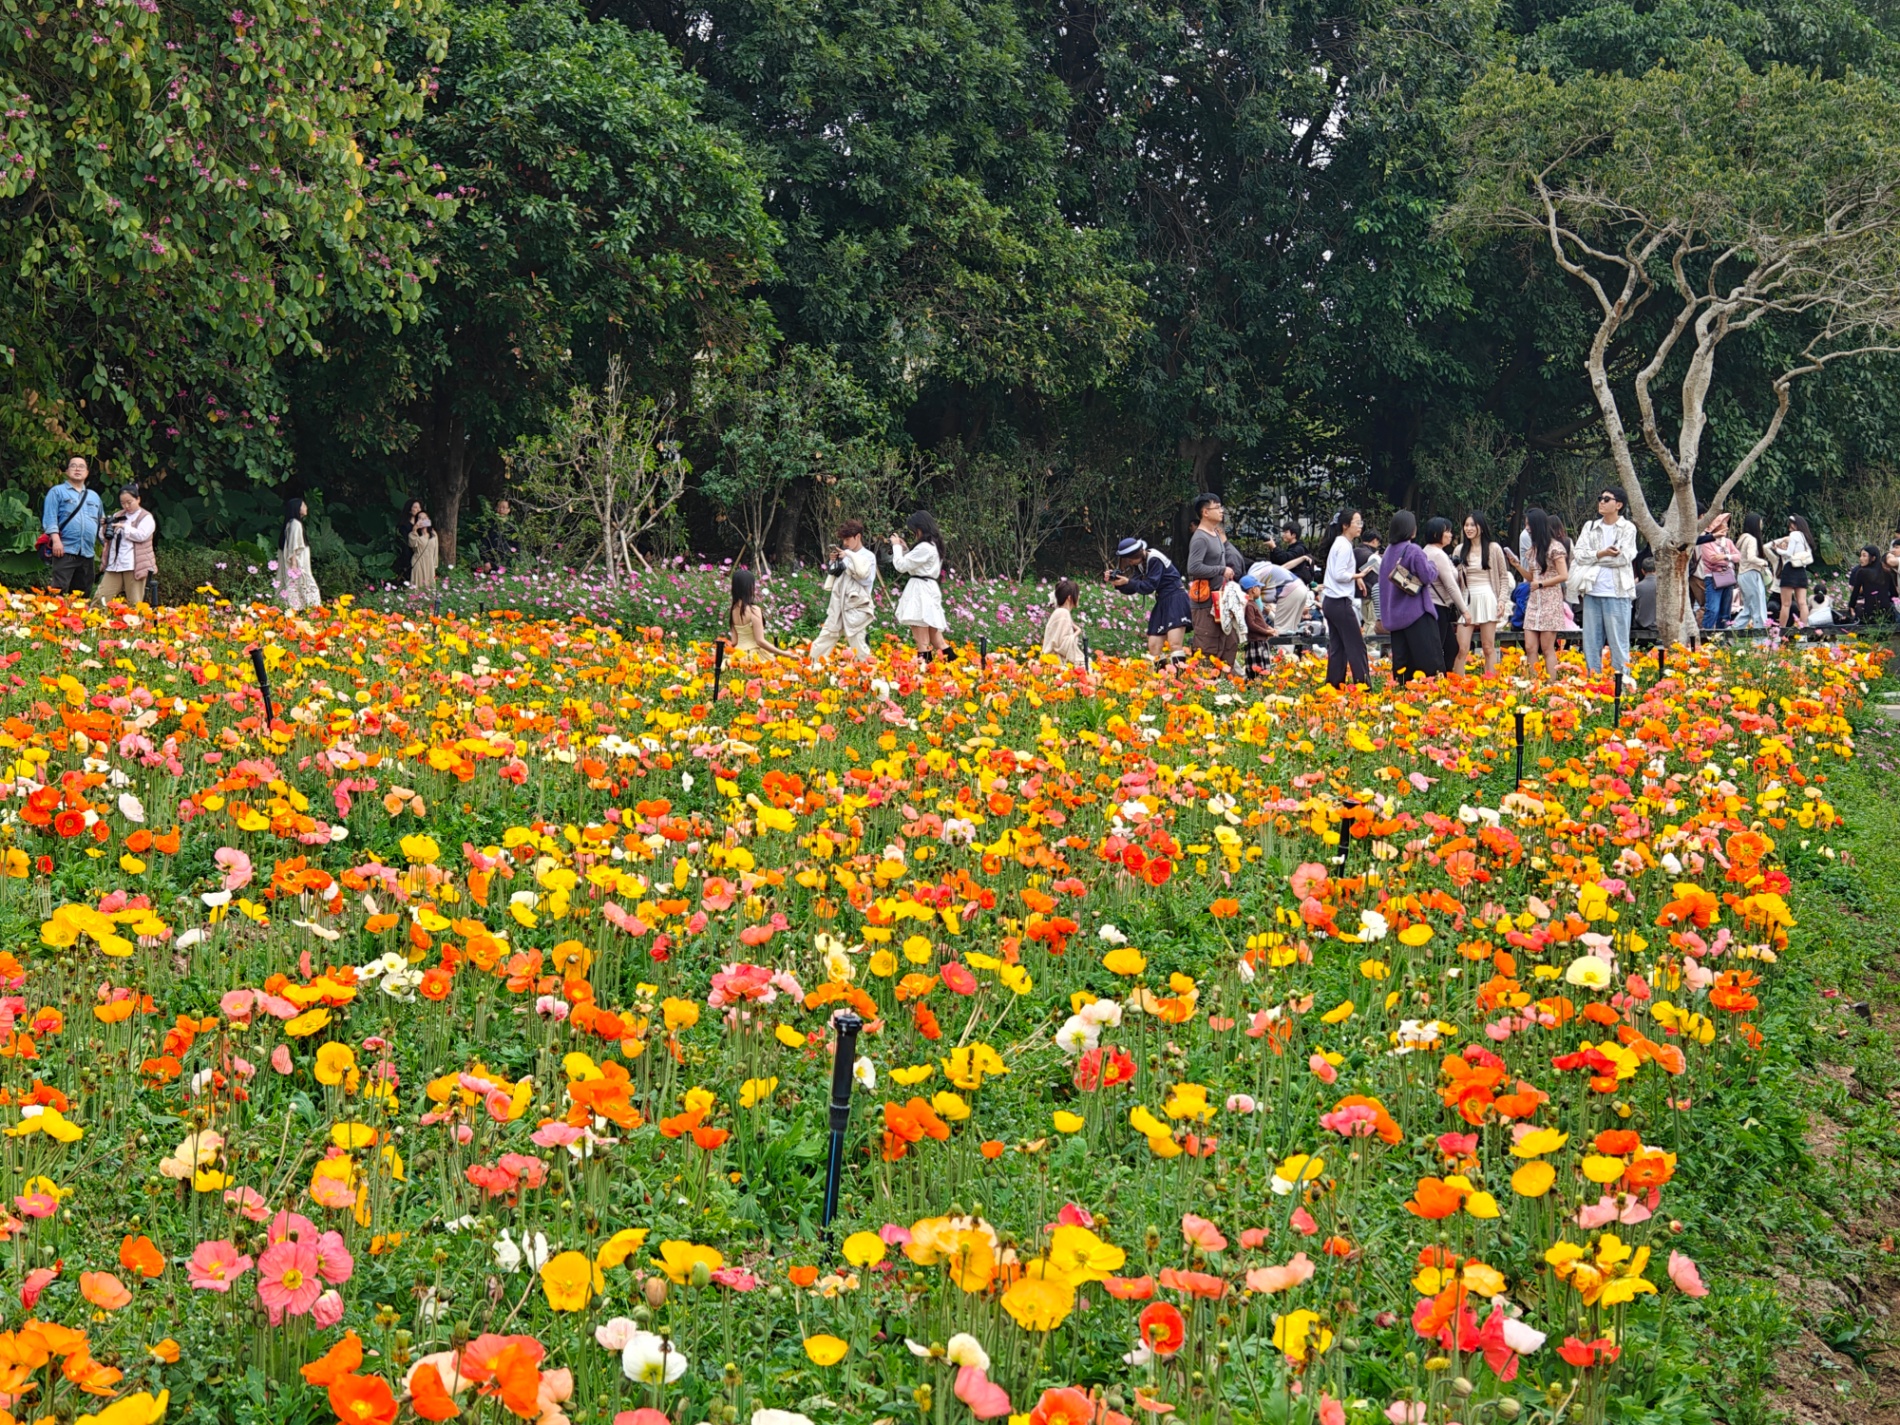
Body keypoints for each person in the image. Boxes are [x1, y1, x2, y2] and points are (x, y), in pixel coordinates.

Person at [1570, 487, 1638, 675]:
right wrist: (1602, 553)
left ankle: (1620, 689)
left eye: (1607, 499)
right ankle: (1593, 685)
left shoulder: (1628, 528)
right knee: (1591, 644)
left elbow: (1624, 557)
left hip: (1617, 592)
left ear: (1618, 505)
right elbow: (1578, 555)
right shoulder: (1590, 526)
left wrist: (1594, 558)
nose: (1601, 501)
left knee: (1619, 645)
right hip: (1592, 591)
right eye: (1600, 498)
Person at [1378, 511, 1443, 684]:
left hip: (1395, 618)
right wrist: (1432, 565)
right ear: (1411, 530)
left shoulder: (1388, 553)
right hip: (1416, 615)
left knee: (1403, 664)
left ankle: (1402, 698)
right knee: (1429, 662)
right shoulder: (1413, 550)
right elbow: (1428, 576)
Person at [1108, 538, 1192, 670]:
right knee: (1154, 645)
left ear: (1138, 553)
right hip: (1162, 600)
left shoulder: (1154, 559)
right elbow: (1134, 586)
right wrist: (1117, 583)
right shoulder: (1142, 563)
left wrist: (1127, 581)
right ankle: (1162, 679)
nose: (1129, 562)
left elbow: (1148, 587)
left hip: (1176, 598)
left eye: (1130, 559)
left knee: (1174, 643)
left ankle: (1179, 679)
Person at [1184, 493, 1247, 664]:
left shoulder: (1214, 534)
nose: (1221, 511)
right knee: (1207, 648)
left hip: (1222, 602)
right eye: (1217, 507)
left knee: (1229, 644)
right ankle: (1205, 685)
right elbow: (1193, 568)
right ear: (1205, 512)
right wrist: (1221, 569)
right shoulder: (1200, 537)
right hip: (1205, 604)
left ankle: (1223, 684)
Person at [811, 520, 877, 660]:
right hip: (838, 604)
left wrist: (849, 561)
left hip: (856, 605)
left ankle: (867, 674)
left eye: (847, 539)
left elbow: (867, 580)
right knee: (825, 637)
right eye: (843, 540)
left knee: (858, 643)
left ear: (857, 537)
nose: (845, 543)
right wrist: (834, 562)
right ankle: (812, 666)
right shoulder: (844, 554)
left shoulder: (868, 556)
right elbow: (836, 578)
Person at [1455, 511, 1512, 675]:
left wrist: (1501, 601)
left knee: (1488, 647)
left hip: (1488, 597)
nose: (1469, 528)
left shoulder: (1493, 548)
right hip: (1466, 598)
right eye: (1466, 525)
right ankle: (1458, 684)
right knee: (1462, 648)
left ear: (1481, 526)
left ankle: (1491, 685)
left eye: (1473, 525)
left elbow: (1503, 577)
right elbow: (1454, 577)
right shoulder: (1460, 550)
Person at [890, 510, 950, 664]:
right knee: (937, 640)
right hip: (927, 588)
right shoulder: (933, 545)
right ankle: (955, 665)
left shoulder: (924, 546)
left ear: (920, 528)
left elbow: (901, 566)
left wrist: (896, 547)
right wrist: (905, 550)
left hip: (920, 592)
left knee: (922, 641)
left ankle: (925, 672)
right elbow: (914, 566)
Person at [41, 456, 105, 596]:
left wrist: (107, 546)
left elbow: (101, 524)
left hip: (87, 553)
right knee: (58, 591)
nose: (77, 469)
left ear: (87, 473)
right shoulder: (57, 492)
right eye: (73, 466)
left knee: (82, 595)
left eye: (81, 466)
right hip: (65, 550)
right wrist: (56, 541)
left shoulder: (94, 497)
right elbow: (50, 518)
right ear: (67, 471)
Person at [1321, 509, 1371, 687]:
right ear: (1345, 525)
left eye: (1360, 522)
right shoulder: (1344, 545)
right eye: (1356, 522)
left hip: (1330, 602)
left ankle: (1333, 686)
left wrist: (1356, 578)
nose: (1360, 526)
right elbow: (1339, 574)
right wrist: (1360, 575)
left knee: (1339, 647)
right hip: (1339, 603)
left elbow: (1339, 573)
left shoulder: (1340, 543)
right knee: (1357, 646)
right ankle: (1363, 687)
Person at [1522, 507, 1569, 678]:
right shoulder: (1532, 550)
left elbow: (1564, 575)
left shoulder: (1555, 548)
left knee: (1547, 648)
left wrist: (1541, 584)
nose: (1527, 529)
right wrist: (1517, 565)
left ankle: (1552, 686)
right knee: (1530, 647)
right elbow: (1530, 577)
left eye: (1529, 525)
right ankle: (1533, 683)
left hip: (1550, 600)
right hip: (1534, 601)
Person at [1420, 517, 1469, 674]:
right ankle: (1436, 683)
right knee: (1439, 650)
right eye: (1447, 531)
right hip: (1438, 607)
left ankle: (1443, 681)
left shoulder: (1426, 551)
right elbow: (1450, 585)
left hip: (1436, 607)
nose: (1450, 534)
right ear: (1436, 534)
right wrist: (1464, 610)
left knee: (1450, 647)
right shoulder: (1437, 554)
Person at [96, 485, 157, 607]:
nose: (126, 506)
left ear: (138, 499)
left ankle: (135, 626)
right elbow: (104, 538)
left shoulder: (146, 517)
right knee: (100, 599)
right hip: (115, 564)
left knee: (135, 603)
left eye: (129, 502)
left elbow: (142, 535)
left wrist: (125, 527)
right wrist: (105, 526)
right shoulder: (117, 516)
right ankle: (95, 623)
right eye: (123, 503)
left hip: (134, 566)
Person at [729, 567, 795, 658]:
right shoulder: (754, 610)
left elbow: (734, 642)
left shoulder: (733, 610)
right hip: (752, 655)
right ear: (749, 587)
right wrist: (784, 653)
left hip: (738, 654)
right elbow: (760, 641)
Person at [276, 498, 323, 612]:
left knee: (295, 584)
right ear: (297, 508)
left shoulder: (292, 523)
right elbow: (293, 546)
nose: (306, 507)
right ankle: (312, 608)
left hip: (298, 561)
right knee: (304, 583)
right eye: (303, 505)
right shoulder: (295, 524)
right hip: (298, 561)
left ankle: (295, 607)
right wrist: (294, 564)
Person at [1768, 515, 1815, 628]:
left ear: (1794, 525)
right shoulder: (1805, 536)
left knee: (1786, 604)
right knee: (1802, 603)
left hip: (1790, 569)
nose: (1789, 526)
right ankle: (1803, 630)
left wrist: (1777, 549)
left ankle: (1781, 630)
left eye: (1790, 524)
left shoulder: (1794, 535)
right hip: (1801, 570)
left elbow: (1789, 553)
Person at [1696, 513, 1740, 630]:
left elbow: (1738, 557)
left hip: (1728, 578)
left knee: (1725, 611)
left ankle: (1722, 638)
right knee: (1713, 609)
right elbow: (1712, 559)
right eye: (1723, 524)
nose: (1726, 527)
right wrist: (1729, 558)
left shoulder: (1728, 542)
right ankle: (1706, 636)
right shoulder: (1707, 542)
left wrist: (1724, 557)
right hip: (1712, 577)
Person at [1246, 558, 1312, 634]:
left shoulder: (1253, 574)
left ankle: (1282, 646)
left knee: (1282, 633)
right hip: (1301, 588)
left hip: (1289, 592)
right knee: (1292, 631)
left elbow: (1258, 605)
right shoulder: (1264, 567)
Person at [1733, 514, 1771, 630]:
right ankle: (1761, 638)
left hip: (1742, 574)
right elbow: (1751, 557)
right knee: (1759, 608)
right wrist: (1763, 562)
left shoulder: (1742, 538)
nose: (1761, 525)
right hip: (1751, 574)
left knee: (1748, 609)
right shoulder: (1752, 539)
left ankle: (1730, 632)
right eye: (1760, 522)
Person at [1846, 545, 1897, 625]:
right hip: (1887, 613)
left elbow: (1855, 593)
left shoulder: (1862, 572)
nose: (1861, 559)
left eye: (1864, 556)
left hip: (1869, 613)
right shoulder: (1887, 572)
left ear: (1873, 558)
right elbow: (1894, 594)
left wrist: (1851, 606)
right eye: (1860, 556)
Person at [1041, 579, 1086, 667]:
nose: (1079, 597)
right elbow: (1062, 646)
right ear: (1070, 598)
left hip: (1052, 663)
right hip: (1057, 665)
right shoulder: (1063, 613)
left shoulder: (1059, 612)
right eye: (1077, 594)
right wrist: (1077, 632)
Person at [1240, 576, 1276, 678]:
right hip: (1255, 643)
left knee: (1264, 670)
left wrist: (1268, 627)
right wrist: (1266, 632)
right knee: (1257, 673)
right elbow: (1251, 625)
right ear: (1253, 589)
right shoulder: (1249, 606)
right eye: (1259, 588)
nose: (1260, 590)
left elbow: (1259, 622)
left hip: (1260, 641)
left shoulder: (1253, 604)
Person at [481, 499, 519, 569]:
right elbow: (484, 543)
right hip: (491, 559)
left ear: (509, 510)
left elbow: (516, 545)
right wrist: (486, 561)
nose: (501, 510)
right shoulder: (489, 524)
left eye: (504, 507)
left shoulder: (512, 527)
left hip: (507, 560)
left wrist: (516, 562)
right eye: (499, 507)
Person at [409, 511, 440, 595]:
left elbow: (435, 550)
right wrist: (414, 529)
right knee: (417, 587)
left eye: (424, 518)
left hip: (429, 564)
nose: (422, 520)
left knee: (429, 588)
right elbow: (412, 545)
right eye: (420, 518)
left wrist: (434, 565)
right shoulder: (414, 535)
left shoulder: (433, 534)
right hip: (418, 563)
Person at [394, 499, 423, 584]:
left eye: (419, 508)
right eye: (415, 507)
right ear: (410, 510)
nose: (418, 509)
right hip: (408, 550)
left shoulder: (423, 523)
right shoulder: (404, 524)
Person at [1632, 556, 1658, 639]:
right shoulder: (1664, 587)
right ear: (1657, 569)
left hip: (1641, 625)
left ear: (1642, 571)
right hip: (1658, 625)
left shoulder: (1637, 587)